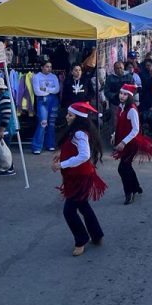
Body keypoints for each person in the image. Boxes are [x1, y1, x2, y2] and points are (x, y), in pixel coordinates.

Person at [52, 102, 106, 257]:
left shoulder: (79, 133)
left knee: (69, 211)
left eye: (70, 114)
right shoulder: (75, 131)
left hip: (81, 177)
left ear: (78, 118)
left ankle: (81, 240)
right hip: (77, 176)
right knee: (83, 206)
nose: (67, 116)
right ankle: (96, 235)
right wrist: (61, 153)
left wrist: (62, 164)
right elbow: (72, 148)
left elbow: (84, 155)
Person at [112, 84, 152, 205]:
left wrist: (123, 142)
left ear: (130, 96)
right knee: (127, 167)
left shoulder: (131, 109)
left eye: (125, 94)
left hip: (131, 144)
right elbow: (121, 125)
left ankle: (129, 192)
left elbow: (135, 129)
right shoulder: (121, 107)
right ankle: (136, 187)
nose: (122, 96)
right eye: (121, 93)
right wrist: (114, 135)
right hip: (124, 141)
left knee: (122, 168)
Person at [31, 60, 61, 155]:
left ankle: (50, 144)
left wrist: (45, 89)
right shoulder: (36, 77)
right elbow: (37, 92)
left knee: (52, 124)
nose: (49, 69)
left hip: (54, 101)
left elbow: (57, 90)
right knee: (42, 123)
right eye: (47, 66)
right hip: (42, 101)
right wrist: (50, 90)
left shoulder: (54, 76)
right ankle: (37, 146)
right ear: (42, 67)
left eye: (50, 67)